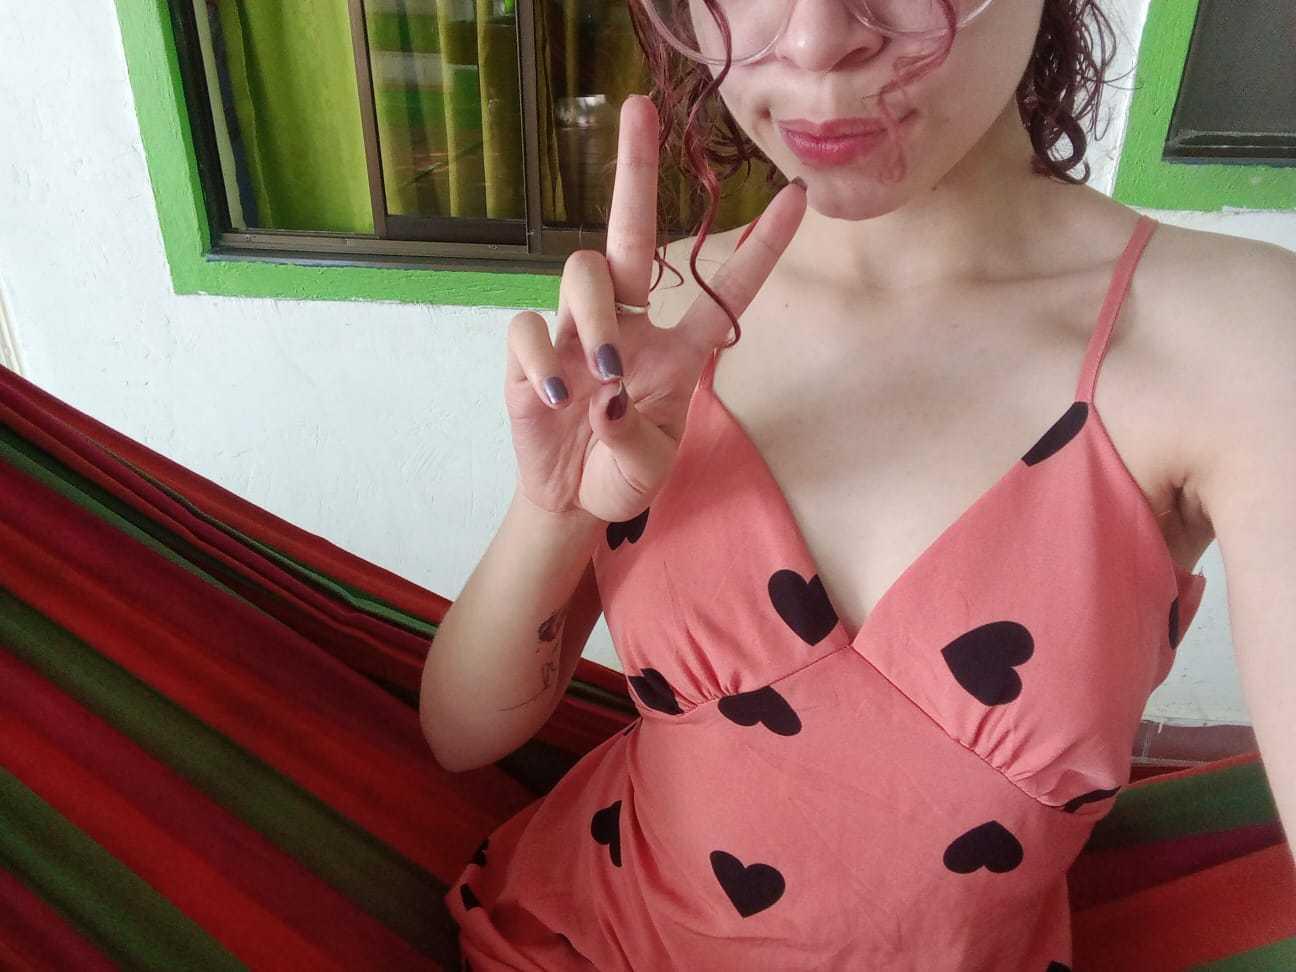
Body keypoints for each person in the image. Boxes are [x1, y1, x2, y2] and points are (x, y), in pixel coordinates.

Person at [421, 0, 1296, 967]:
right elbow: (460, 737)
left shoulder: (1236, 340)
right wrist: (554, 510)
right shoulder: (662, 318)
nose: (814, 42)